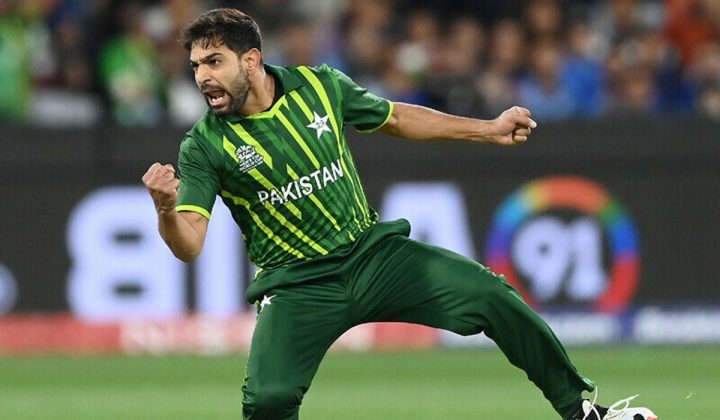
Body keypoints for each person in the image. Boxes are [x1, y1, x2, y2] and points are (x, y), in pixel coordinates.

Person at [142, 8, 658, 420]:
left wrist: (487, 129)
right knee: (268, 401)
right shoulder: (203, 145)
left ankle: (582, 412)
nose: (202, 77)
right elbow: (190, 244)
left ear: (251, 60)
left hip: (374, 258)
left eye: (214, 62)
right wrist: (166, 209)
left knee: (492, 296)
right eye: (196, 66)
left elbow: (396, 118)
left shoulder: (320, 87)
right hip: (298, 285)